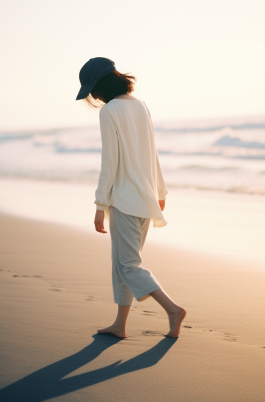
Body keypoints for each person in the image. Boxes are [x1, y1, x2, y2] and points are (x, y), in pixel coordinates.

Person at [76, 57, 186, 338]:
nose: (94, 97)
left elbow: (109, 162)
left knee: (127, 265)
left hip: (124, 199)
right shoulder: (140, 105)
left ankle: (173, 310)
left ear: (100, 86)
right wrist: (160, 191)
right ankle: (119, 325)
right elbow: (152, 152)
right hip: (145, 197)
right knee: (122, 263)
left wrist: (100, 205)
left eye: (92, 90)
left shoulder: (110, 111)